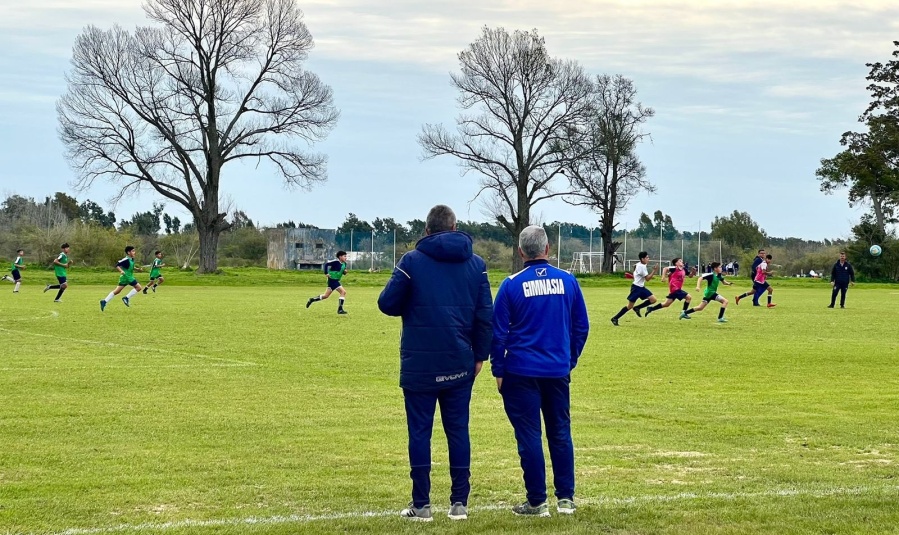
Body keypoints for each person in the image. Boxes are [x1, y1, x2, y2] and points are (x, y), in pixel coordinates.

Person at [378, 205, 492, 522]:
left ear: (426, 230)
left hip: (419, 363)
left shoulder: (411, 261)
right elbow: (486, 316)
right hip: (460, 361)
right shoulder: (477, 264)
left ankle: (422, 504)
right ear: (454, 228)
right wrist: (481, 355)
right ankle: (459, 504)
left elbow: (387, 303)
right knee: (458, 432)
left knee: (419, 433)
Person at [490, 225, 590, 517]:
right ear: (548, 249)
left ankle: (537, 501)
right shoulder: (569, 281)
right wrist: (568, 360)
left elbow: (498, 334)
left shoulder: (511, 284)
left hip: (520, 371)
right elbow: (581, 327)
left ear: (521, 252)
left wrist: (499, 368)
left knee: (529, 436)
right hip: (556, 371)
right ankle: (566, 499)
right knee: (560, 432)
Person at [610, 251, 658, 326]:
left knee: (653, 299)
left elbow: (634, 266)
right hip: (636, 288)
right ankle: (615, 318)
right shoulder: (642, 267)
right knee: (629, 306)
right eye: (647, 257)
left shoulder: (640, 264)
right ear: (642, 259)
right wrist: (654, 271)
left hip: (641, 287)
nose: (648, 259)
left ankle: (637, 308)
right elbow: (648, 279)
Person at [100, 246, 144, 311]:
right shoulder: (125, 259)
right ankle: (126, 298)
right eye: (133, 251)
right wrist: (121, 271)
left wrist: (137, 269)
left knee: (117, 291)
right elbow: (117, 265)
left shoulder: (131, 259)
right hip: (127, 277)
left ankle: (104, 301)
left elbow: (130, 267)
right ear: (128, 252)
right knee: (139, 287)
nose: (134, 252)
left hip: (125, 278)